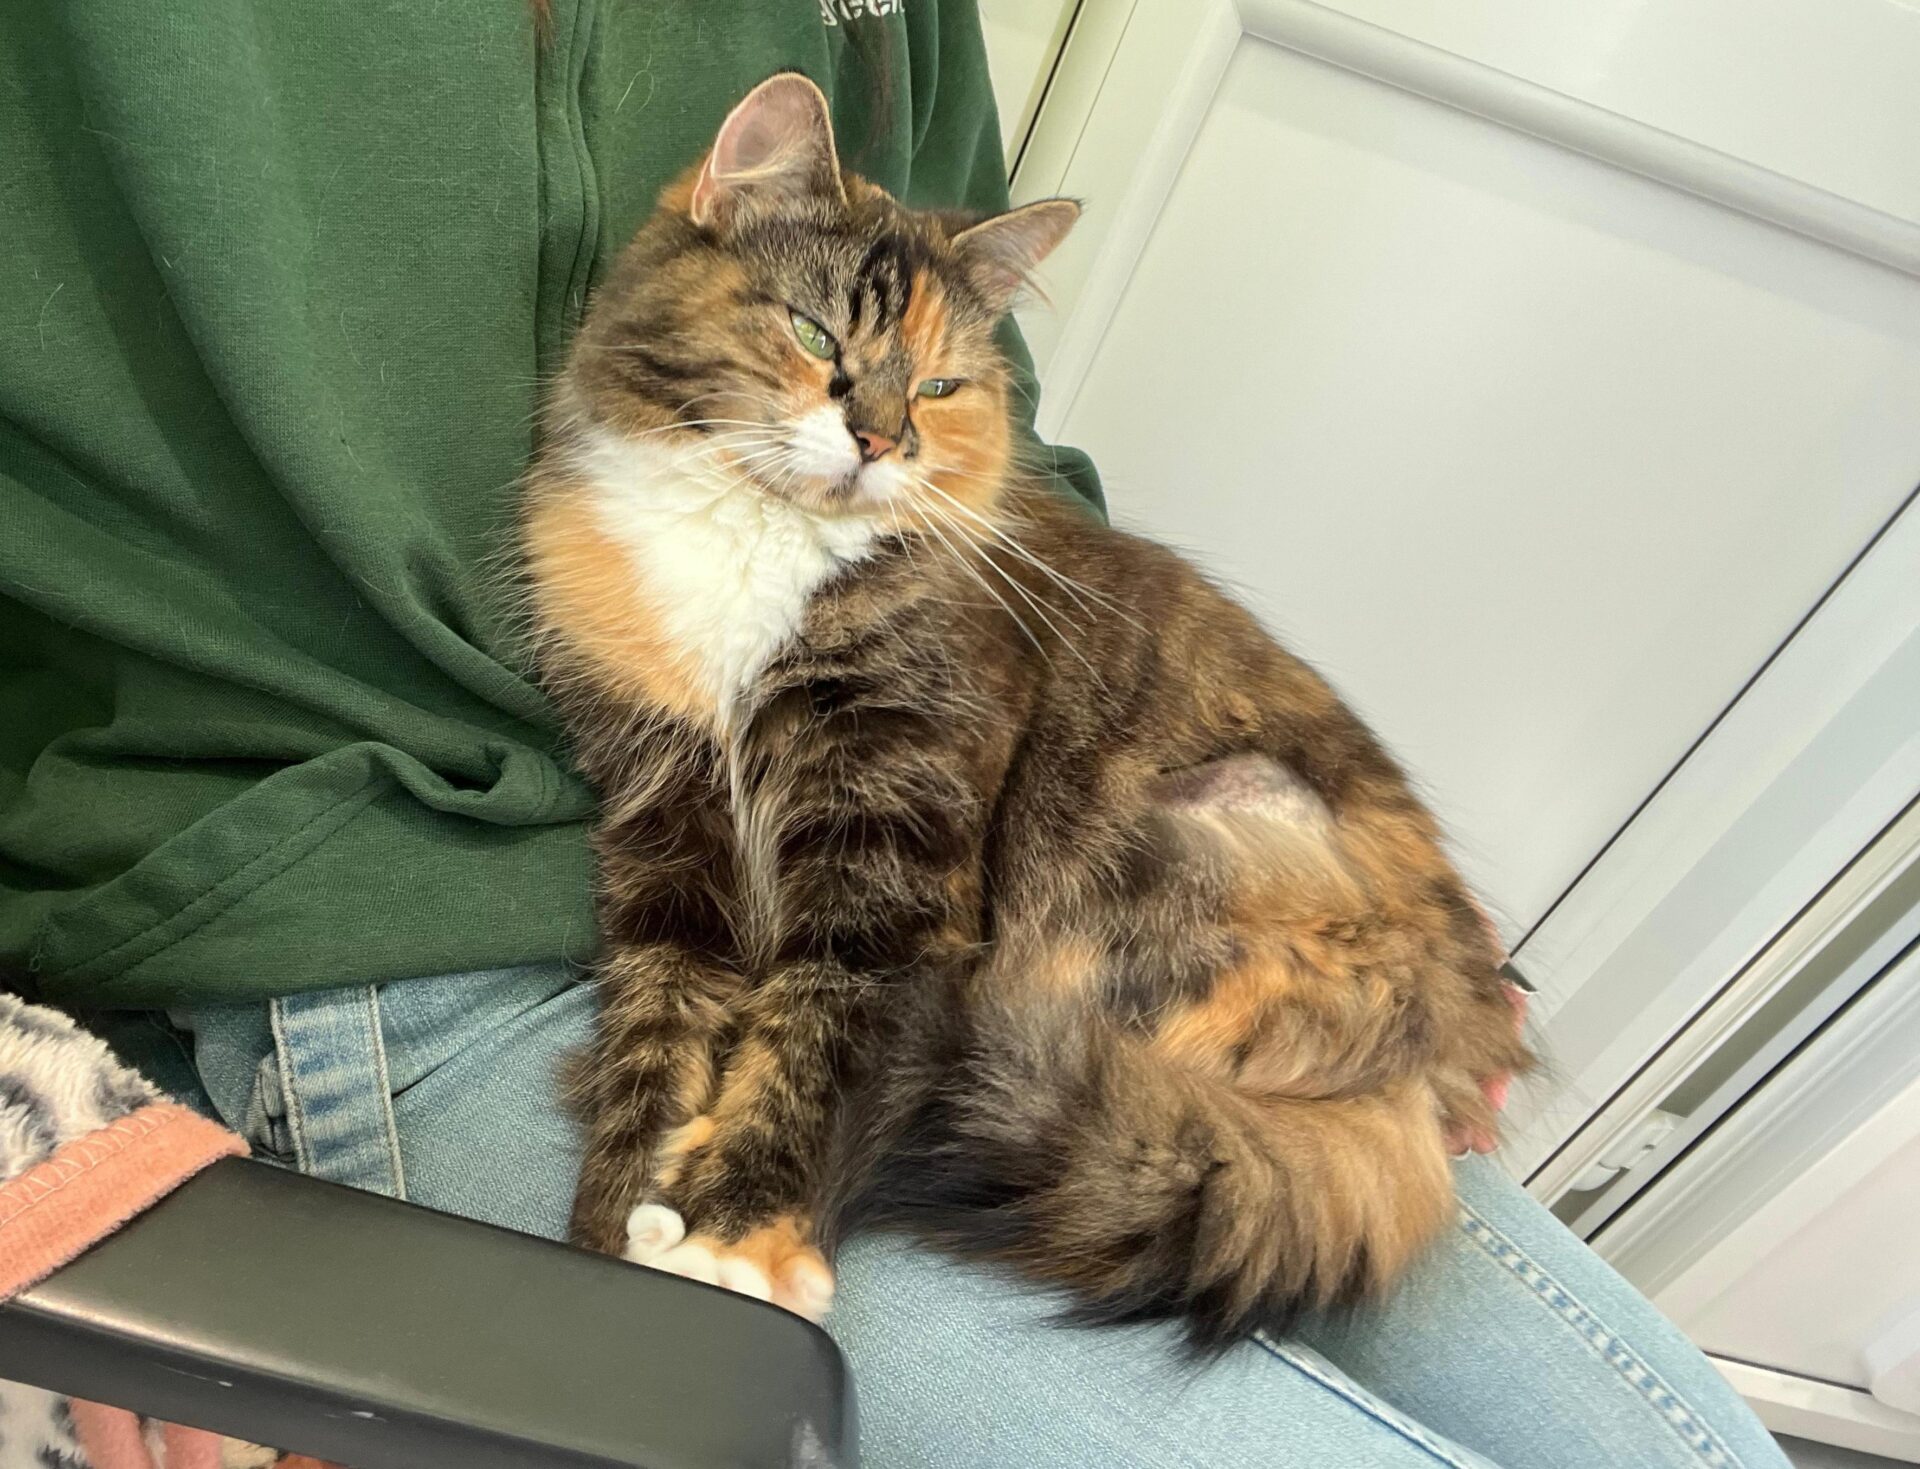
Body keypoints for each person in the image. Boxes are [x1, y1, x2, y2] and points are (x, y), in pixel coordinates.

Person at [1, 4, 1790, 1465]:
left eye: (916, 391)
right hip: (378, 933)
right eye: (831, 364)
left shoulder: (892, 393)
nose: (877, 423)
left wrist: (1402, 946)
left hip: (1037, 952)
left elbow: (980, 407)